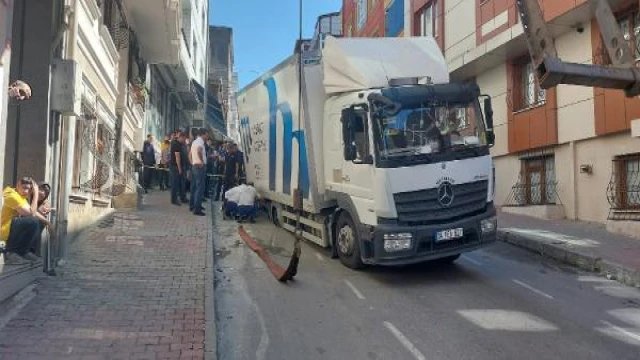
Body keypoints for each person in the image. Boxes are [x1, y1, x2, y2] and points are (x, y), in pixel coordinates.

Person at [1, 177, 53, 265]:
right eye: (24, 188)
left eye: (29, 189)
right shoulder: (11, 195)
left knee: (37, 222)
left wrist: (47, 222)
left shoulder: (21, 197)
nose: (26, 191)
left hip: (9, 229)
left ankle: (25, 252)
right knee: (32, 221)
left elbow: (33, 211)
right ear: (18, 185)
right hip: (3, 231)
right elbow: (32, 214)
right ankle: (11, 253)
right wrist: (35, 194)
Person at [189, 129, 209, 216]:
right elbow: (199, 151)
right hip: (199, 167)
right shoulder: (200, 142)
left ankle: (193, 205)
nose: (208, 137)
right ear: (203, 135)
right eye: (207, 135)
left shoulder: (194, 142)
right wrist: (201, 162)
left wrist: (192, 162)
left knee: (194, 187)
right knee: (200, 188)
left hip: (194, 166)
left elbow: (189, 154)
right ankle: (197, 209)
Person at [169, 131, 188, 205]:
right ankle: (174, 200)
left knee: (181, 183)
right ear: (181, 137)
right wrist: (179, 168)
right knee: (175, 184)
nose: (184, 140)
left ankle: (182, 198)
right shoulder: (175, 144)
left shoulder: (181, 144)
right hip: (175, 167)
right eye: (184, 139)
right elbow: (177, 157)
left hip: (180, 166)